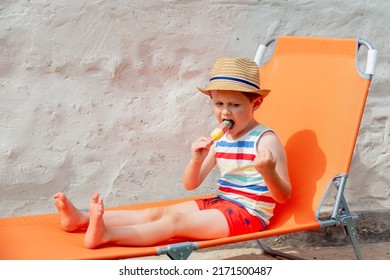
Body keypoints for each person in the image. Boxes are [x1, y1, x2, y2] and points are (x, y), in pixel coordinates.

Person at [53, 57, 291, 249]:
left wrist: (268, 172)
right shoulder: (223, 139)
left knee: (174, 222)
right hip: (221, 203)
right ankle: (81, 220)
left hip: (248, 215)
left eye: (234, 105)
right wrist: (196, 161)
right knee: (157, 212)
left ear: (256, 104)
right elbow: (191, 184)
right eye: (219, 104)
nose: (225, 112)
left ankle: (107, 235)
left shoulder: (265, 140)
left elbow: (283, 196)